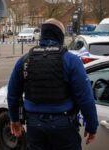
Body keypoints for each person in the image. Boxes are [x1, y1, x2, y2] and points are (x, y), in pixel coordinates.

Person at [7, 18, 99, 150]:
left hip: (34, 126)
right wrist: (92, 126)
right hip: (63, 125)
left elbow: (12, 95)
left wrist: (14, 119)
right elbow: (85, 97)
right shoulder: (71, 60)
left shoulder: (24, 60)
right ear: (60, 35)